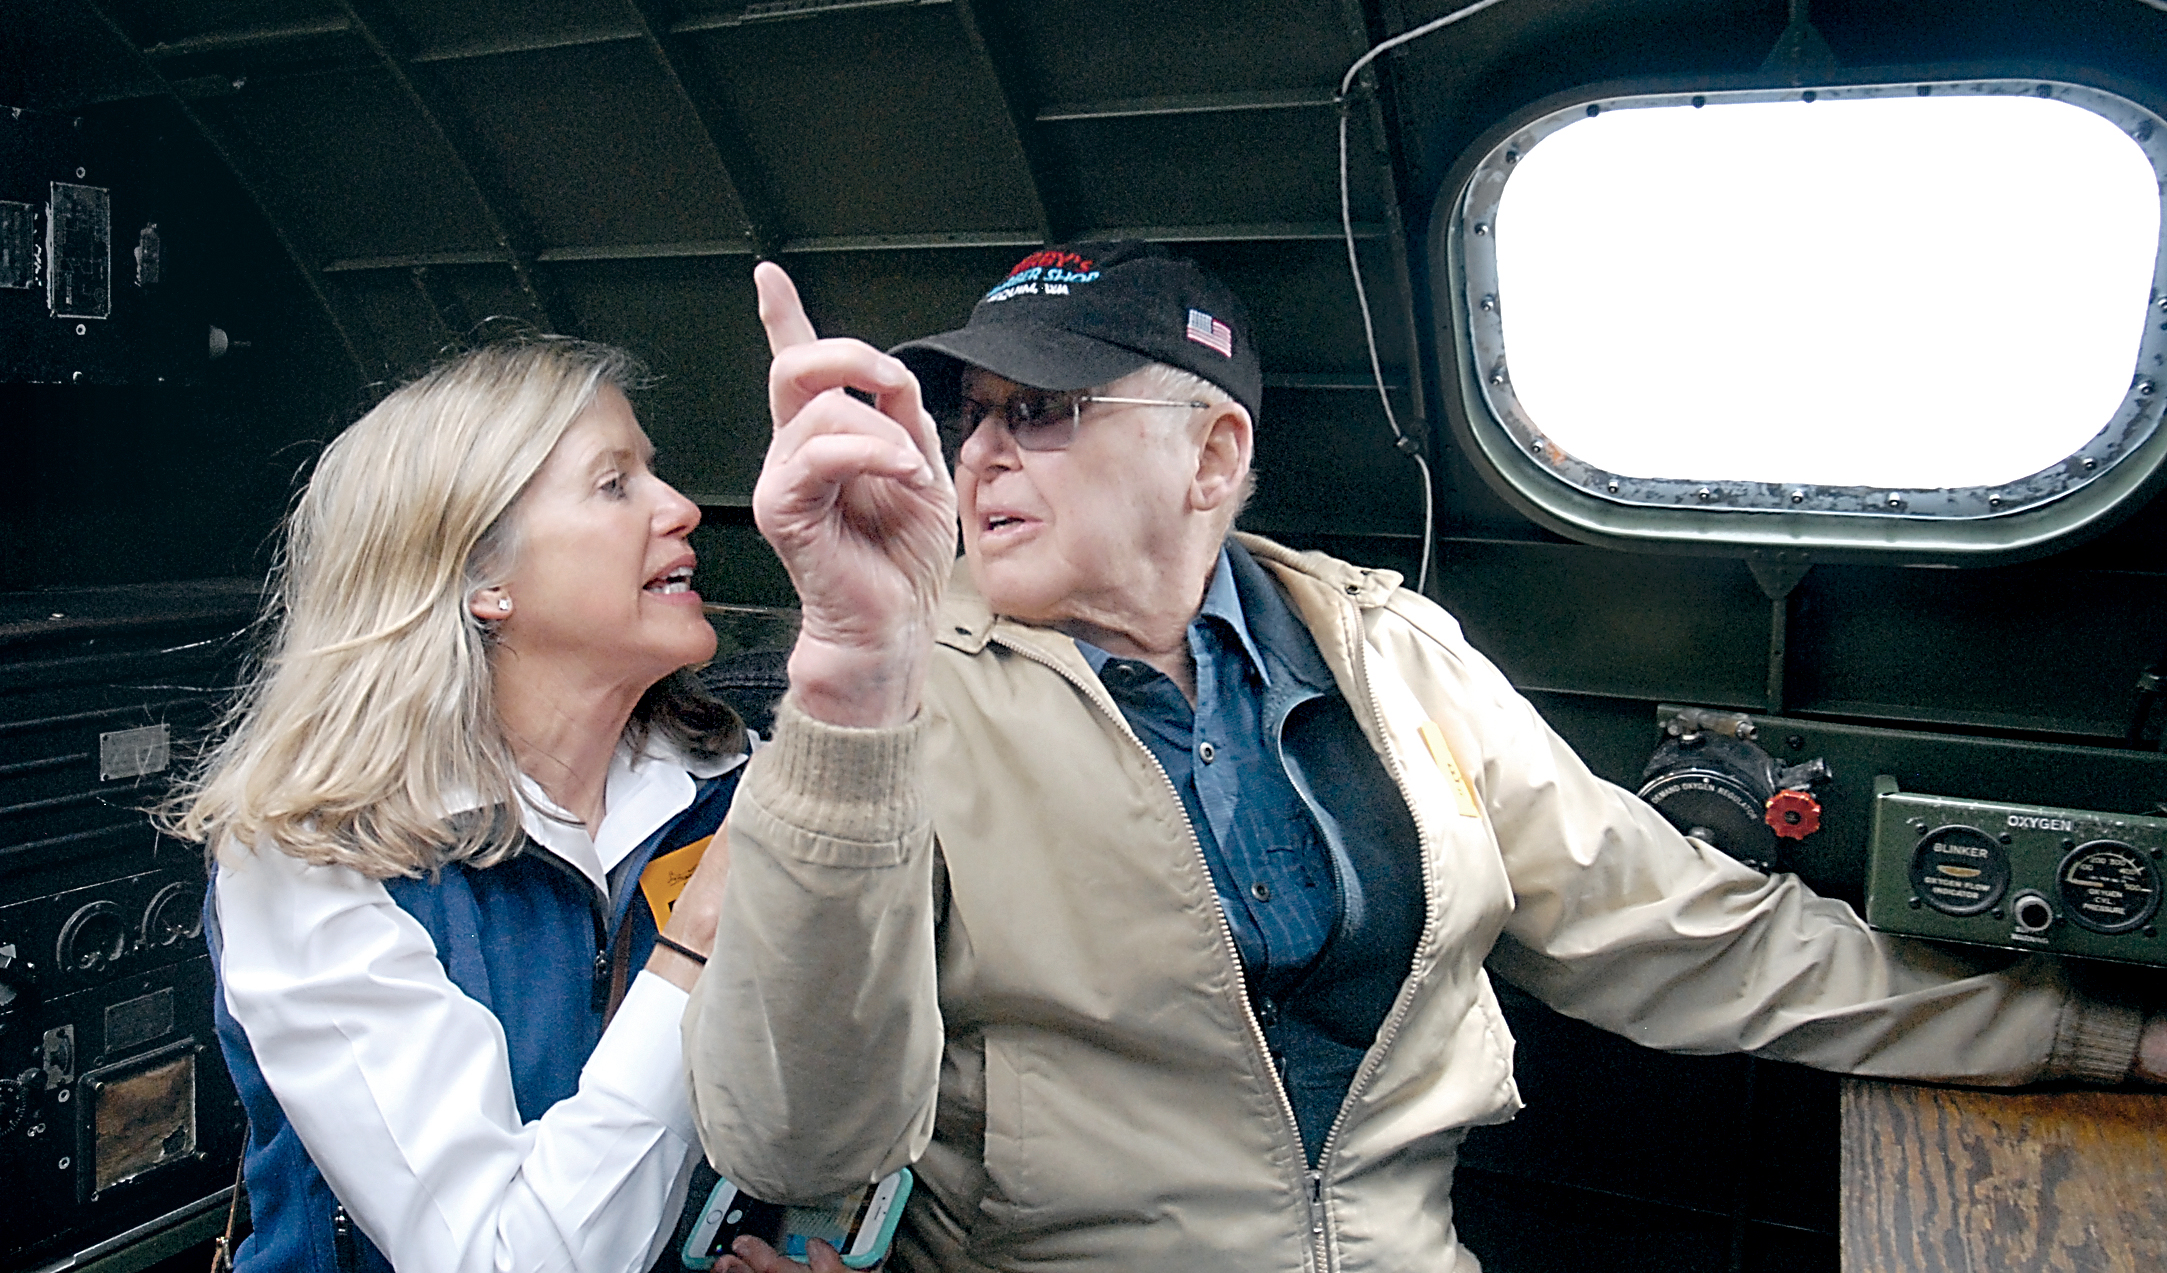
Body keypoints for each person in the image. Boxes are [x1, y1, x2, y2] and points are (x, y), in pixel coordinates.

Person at [685, 242, 2167, 1272]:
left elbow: (1690, 933)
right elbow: (795, 1138)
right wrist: (851, 678)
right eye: (973, 418)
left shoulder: (1387, 655)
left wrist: (2100, 1039)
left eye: (1046, 411)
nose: (980, 453)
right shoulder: (886, 705)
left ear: (1212, 455)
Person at [171, 339, 742, 1273]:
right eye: (614, 485)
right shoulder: (313, 864)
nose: (680, 507)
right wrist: (695, 950)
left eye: (654, 472)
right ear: (484, 579)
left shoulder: (726, 789)